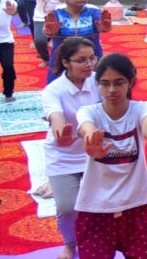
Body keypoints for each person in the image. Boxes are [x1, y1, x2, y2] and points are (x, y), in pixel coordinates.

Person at [75, 53, 147, 259]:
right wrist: (91, 139)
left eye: (119, 83)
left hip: (137, 207)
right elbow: (86, 127)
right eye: (105, 83)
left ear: (131, 82)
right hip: (95, 209)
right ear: (97, 85)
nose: (111, 90)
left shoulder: (141, 108)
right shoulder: (88, 111)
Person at [41, 37, 99, 259]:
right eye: (81, 60)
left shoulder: (99, 82)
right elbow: (55, 116)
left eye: (92, 58)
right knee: (67, 207)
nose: (89, 65)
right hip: (63, 154)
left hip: (95, 152)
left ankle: (102, 237)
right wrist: (60, 134)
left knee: (104, 201)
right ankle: (70, 243)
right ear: (66, 62)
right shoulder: (53, 91)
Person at [43, 0, 113, 83]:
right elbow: (46, 30)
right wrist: (49, 32)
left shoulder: (94, 13)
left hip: (90, 62)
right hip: (63, 62)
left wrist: (104, 27)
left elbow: (102, 23)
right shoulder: (56, 14)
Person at [31, 0, 67, 67]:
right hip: (41, 16)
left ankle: (62, 60)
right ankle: (46, 59)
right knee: (39, 41)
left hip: (60, 16)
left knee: (64, 41)